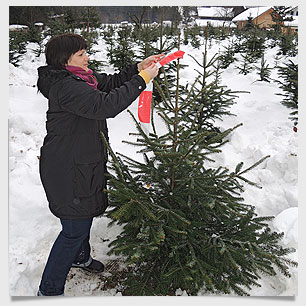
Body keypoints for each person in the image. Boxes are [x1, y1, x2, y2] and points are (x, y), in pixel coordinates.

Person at [36, 33, 164, 296]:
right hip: (67, 167)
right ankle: (48, 291)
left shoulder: (82, 78)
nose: (88, 57)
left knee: (82, 213)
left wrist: (138, 68)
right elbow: (105, 105)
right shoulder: (67, 87)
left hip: (81, 161)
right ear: (65, 59)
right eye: (81, 54)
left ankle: (79, 258)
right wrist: (143, 81)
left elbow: (109, 83)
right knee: (74, 228)